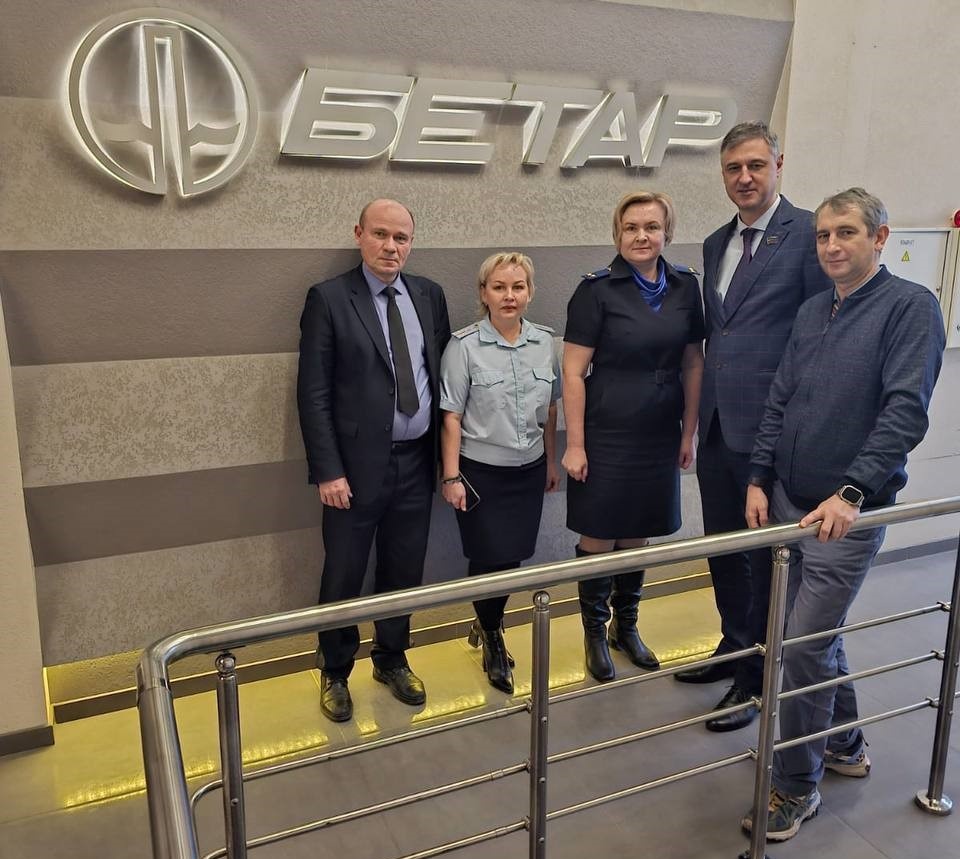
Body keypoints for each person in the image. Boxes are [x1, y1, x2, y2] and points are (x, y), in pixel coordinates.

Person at [740, 188, 945, 842]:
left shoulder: (911, 308)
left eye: (846, 233)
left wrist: (852, 491)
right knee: (812, 637)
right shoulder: (813, 310)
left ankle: (796, 786)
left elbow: (905, 411)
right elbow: (780, 398)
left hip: (846, 516)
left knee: (801, 646)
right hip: (790, 505)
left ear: (879, 238)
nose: (831, 245)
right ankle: (845, 743)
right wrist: (758, 476)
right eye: (824, 234)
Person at [676, 122, 832, 735]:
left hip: (771, 429)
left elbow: (819, 335)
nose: (744, 177)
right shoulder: (716, 242)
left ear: (778, 165)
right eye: (733, 168)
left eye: (755, 166)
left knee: (765, 558)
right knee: (722, 546)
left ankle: (758, 675)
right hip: (718, 424)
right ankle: (733, 645)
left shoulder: (808, 236)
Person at [297, 198, 451, 723]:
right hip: (354, 470)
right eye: (380, 234)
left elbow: (440, 377)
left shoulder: (429, 295)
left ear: (411, 242)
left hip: (416, 462)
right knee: (343, 572)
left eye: (401, 237)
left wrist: (447, 463)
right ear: (359, 234)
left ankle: (391, 658)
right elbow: (313, 393)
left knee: (403, 567)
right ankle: (335, 671)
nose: (390, 246)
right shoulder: (329, 299)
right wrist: (328, 470)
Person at [562, 190, 705, 682]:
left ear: (667, 232)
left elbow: (693, 362)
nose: (641, 236)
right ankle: (594, 634)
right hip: (607, 429)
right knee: (600, 530)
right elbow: (573, 372)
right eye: (631, 228)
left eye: (651, 227)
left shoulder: (685, 286)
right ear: (617, 234)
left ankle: (627, 627)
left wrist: (689, 431)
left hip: (659, 431)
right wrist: (575, 444)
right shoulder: (596, 290)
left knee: (638, 530)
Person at [439, 252, 560, 694]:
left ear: (530, 292)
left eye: (518, 287)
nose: (509, 295)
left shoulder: (545, 342)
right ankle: (492, 634)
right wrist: (451, 477)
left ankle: (488, 620)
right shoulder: (464, 346)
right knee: (488, 556)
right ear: (484, 293)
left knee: (512, 557)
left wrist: (550, 462)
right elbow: (451, 416)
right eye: (499, 287)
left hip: (527, 470)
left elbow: (550, 410)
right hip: (480, 473)